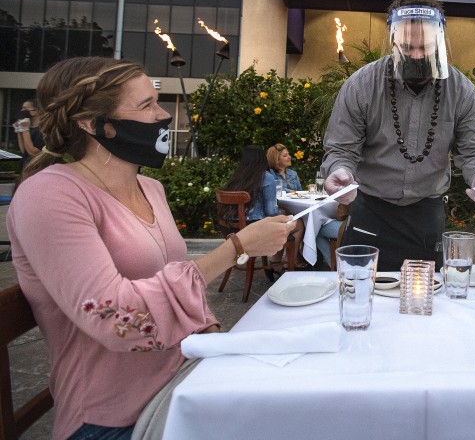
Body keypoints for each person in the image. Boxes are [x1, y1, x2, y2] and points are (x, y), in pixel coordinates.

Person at [7, 57, 295, 440]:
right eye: (146, 106)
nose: (162, 115)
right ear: (93, 124)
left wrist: (212, 334)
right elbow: (118, 320)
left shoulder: (151, 188)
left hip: (182, 383)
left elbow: (170, 282)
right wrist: (236, 247)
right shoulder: (50, 195)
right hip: (112, 418)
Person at [320, 0, 475, 271]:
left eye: (425, 47)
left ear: (439, 41)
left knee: (426, 305)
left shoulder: (462, 91)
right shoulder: (361, 86)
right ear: (392, 40)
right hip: (371, 211)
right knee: (362, 299)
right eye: (407, 47)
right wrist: (339, 171)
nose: (416, 55)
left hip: (426, 215)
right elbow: (341, 148)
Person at [224, 145, 305, 268]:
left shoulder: (236, 177)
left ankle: (275, 262)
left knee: (282, 219)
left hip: (233, 230)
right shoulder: (266, 177)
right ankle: (290, 263)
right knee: (298, 224)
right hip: (256, 229)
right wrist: (282, 213)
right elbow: (271, 212)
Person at [12, 99, 44, 168]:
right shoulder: (31, 129)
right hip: (25, 168)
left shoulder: (42, 130)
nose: (22, 111)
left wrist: (25, 129)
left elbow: (33, 153)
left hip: (34, 169)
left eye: (25, 108)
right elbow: (24, 150)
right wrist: (19, 131)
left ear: (35, 111)